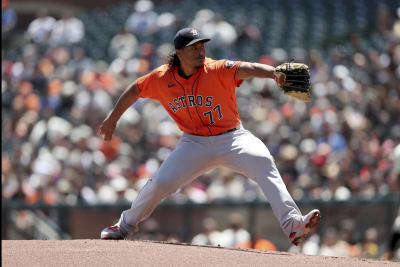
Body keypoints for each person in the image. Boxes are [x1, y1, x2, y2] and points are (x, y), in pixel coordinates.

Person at [99, 27, 321, 246]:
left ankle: (292, 225)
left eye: (202, 45)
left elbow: (248, 67)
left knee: (263, 161)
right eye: (193, 47)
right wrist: (112, 119)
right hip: (194, 142)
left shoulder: (216, 68)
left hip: (233, 138)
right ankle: (124, 225)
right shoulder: (162, 77)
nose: (200, 50)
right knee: (161, 183)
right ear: (179, 52)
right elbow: (134, 89)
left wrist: (273, 72)